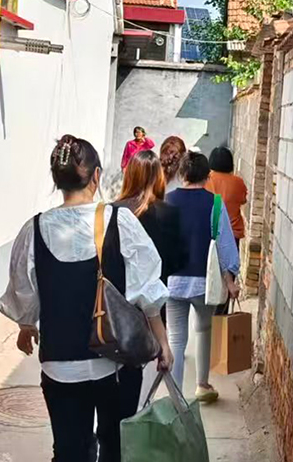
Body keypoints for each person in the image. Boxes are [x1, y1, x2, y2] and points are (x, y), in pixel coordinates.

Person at [0, 135, 173, 462]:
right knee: (115, 448)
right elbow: (147, 289)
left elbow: (24, 291)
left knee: (70, 452)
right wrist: (162, 341)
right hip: (114, 360)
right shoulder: (120, 222)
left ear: (57, 180)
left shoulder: (33, 230)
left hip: (59, 365)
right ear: (96, 177)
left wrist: (27, 325)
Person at [164, 151, 240, 403]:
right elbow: (225, 244)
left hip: (172, 282)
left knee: (176, 338)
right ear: (208, 177)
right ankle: (202, 385)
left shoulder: (167, 201)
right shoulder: (215, 204)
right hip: (204, 283)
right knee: (204, 329)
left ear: (181, 174)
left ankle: (176, 398)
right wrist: (230, 280)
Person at [115, 149, 187, 285]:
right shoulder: (170, 213)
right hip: (155, 290)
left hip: (119, 291)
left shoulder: (113, 210)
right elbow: (178, 261)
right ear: (159, 177)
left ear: (130, 175)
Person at [205, 146, 248, 251]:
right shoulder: (238, 182)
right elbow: (243, 200)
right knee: (230, 260)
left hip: (210, 230)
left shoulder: (205, 180)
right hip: (232, 232)